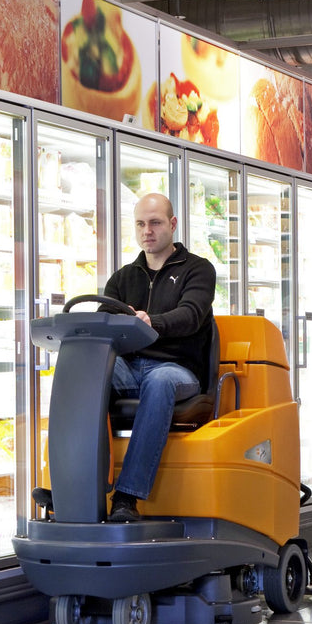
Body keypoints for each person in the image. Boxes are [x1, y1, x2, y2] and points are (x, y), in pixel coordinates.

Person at [102, 192, 216, 521]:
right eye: (140, 224)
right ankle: (77, 479)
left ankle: (127, 497)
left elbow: (192, 314)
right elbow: (105, 316)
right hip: (130, 367)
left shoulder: (198, 270)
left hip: (178, 370)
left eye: (154, 223)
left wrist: (153, 322)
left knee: (160, 380)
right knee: (90, 371)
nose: (146, 231)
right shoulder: (124, 277)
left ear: (173, 224)